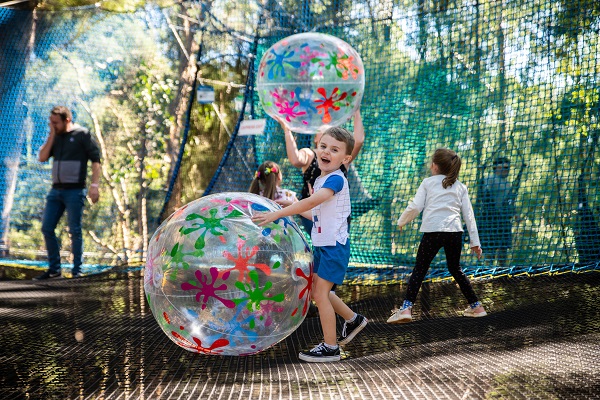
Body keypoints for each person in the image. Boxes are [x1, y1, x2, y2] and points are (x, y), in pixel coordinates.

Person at [252, 126, 368, 362]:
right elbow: (315, 213)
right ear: (317, 149)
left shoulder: (335, 179)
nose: (326, 152)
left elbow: (312, 202)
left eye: (334, 149)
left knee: (321, 294)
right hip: (324, 246)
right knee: (317, 289)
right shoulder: (322, 178)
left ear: (346, 158)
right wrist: (285, 207)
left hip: (335, 247)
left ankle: (331, 347)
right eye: (323, 146)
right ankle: (353, 320)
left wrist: (278, 214)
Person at [387, 148, 486, 324]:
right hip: (454, 233)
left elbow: (415, 207)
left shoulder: (428, 183)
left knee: (420, 269)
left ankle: (406, 309)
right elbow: (469, 216)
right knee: (455, 269)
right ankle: (477, 307)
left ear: (434, 166)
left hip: (433, 231)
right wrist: (475, 242)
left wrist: (401, 222)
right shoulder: (461, 187)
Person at [33, 106, 101, 280]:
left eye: (56, 122)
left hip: (75, 190)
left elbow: (96, 160)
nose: (53, 125)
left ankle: (77, 270)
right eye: (51, 122)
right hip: (56, 191)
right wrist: (52, 134)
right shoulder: (56, 136)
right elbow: (42, 157)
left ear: (67, 120)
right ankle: (54, 270)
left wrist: (94, 185)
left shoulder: (82, 135)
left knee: (75, 230)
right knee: (47, 227)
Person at [278, 108, 365, 234]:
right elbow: (296, 160)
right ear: (317, 139)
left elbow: (359, 141)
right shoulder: (310, 154)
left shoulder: (340, 161)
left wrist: (356, 111)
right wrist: (287, 131)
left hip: (336, 217)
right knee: (322, 245)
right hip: (311, 212)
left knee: (333, 246)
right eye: (324, 131)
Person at [479, 156, 517, 267]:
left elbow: (509, 201)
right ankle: (489, 269)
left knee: (503, 247)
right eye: (504, 167)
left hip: (503, 218)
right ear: (496, 168)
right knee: (490, 246)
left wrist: (515, 214)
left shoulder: (507, 183)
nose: (507, 170)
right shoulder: (490, 179)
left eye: (508, 167)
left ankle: (502, 270)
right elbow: (485, 194)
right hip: (490, 218)